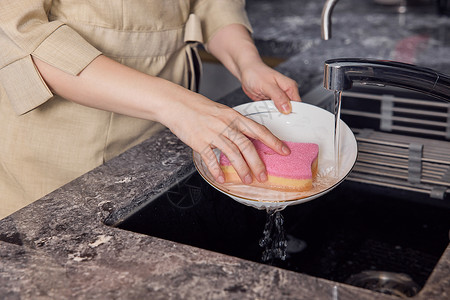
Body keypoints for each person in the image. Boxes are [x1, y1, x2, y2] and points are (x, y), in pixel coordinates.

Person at [0, 0, 301, 219]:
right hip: (58, 176)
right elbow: (20, 38)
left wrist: (247, 61)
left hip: (156, 153)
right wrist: (176, 105)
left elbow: (210, 4)